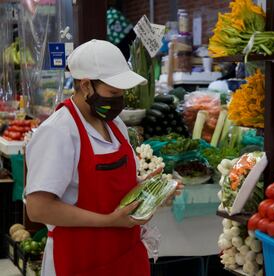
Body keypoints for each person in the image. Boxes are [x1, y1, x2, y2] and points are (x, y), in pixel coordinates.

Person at [25, 39, 170, 276]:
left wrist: (149, 190)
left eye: (122, 92)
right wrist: (109, 221)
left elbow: (113, 191)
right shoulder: (58, 131)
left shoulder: (116, 125)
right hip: (79, 258)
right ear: (86, 86)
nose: (119, 99)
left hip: (124, 255)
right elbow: (39, 208)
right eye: (113, 92)